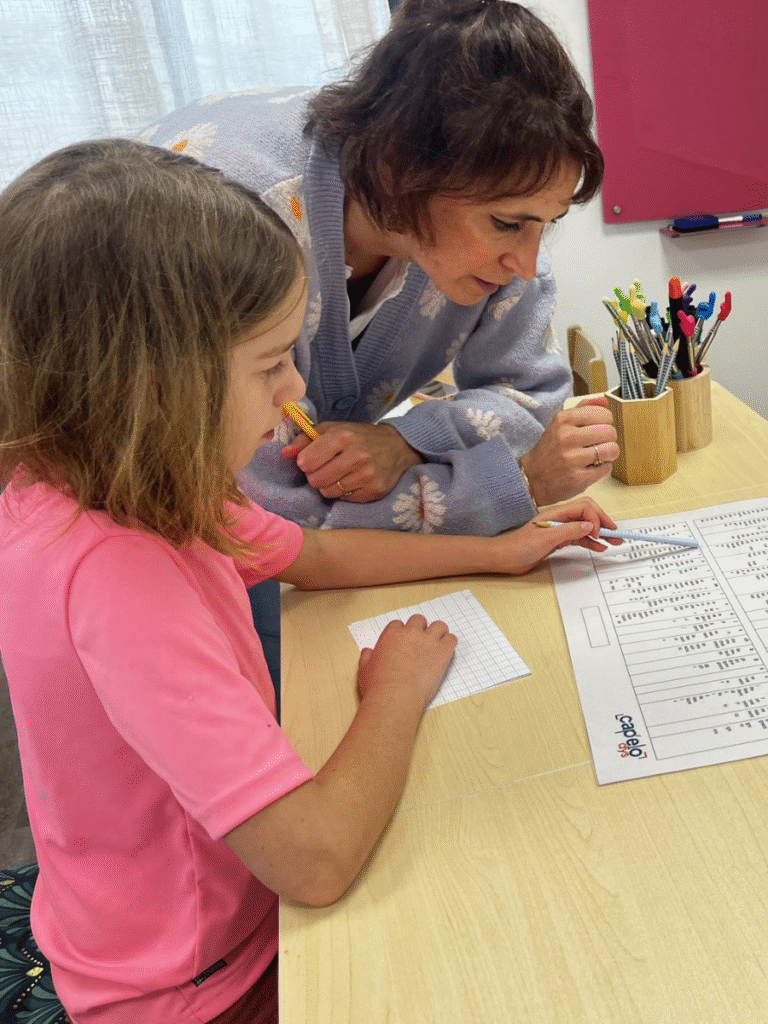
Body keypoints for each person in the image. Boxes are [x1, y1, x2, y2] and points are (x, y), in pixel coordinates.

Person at [0, 139, 620, 1024]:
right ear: (147, 386)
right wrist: (393, 693)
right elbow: (317, 859)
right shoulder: (114, 572)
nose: (297, 393)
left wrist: (498, 549)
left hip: (173, 919)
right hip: (195, 985)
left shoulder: (109, 478)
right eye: (269, 367)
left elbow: (312, 555)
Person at [140, 0, 619, 539]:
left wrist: (410, 442)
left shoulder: (484, 214)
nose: (528, 266)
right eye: (508, 224)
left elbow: (529, 393)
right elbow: (266, 509)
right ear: (401, 167)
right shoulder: (232, 225)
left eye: (545, 223)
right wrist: (513, 486)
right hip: (152, 538)